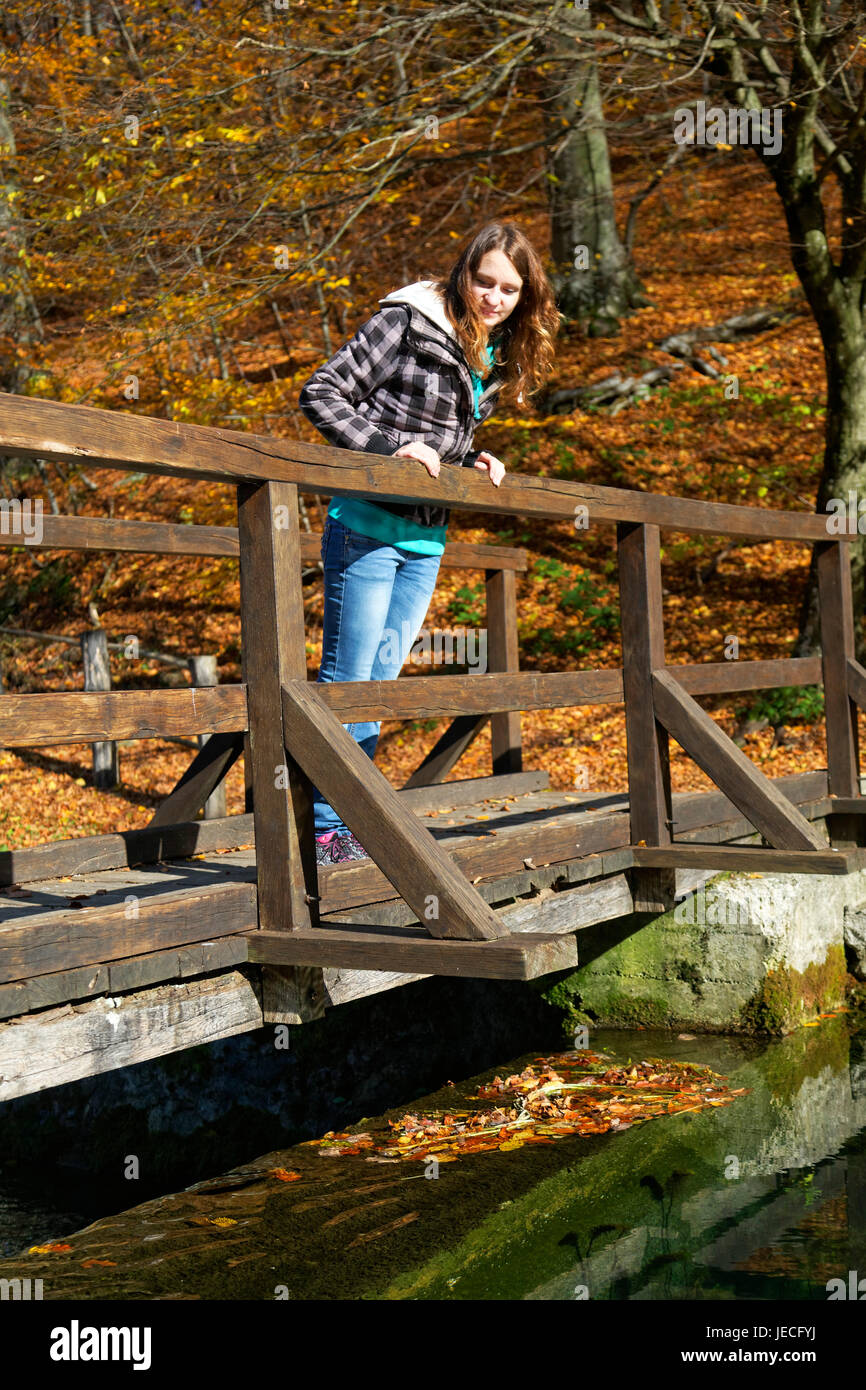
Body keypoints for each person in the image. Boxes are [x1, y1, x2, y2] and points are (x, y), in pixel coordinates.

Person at [298, 219, 559, 865]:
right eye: (484, 281)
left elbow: (439, 438)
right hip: (364, 525)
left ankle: (350, 823)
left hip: (425, 541)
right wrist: (389, 450)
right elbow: (321, 393)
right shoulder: (407, 321)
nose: (494, 297)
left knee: (381, 684)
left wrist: (474, 460)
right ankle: (326, 828)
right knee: (349, 680)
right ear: (462, 273)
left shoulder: (487, 355)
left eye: (509, 289)